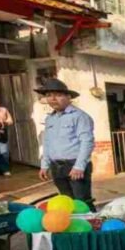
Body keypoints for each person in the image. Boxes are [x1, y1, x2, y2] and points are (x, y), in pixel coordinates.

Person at [36, 78, 96, 212]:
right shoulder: (50, 118)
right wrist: (44, 165)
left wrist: (79, 167)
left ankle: (92, 229)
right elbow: (47, 143)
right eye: (48, 95)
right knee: (66, 203)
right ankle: (73, 231)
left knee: (82, 204)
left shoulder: (80, 116)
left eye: (58, 95)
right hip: (56, 167)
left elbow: (87, 142)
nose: (52, 99)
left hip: (74, 165)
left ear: (68, 97)